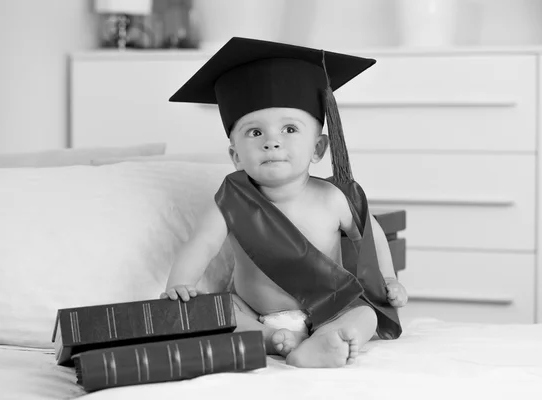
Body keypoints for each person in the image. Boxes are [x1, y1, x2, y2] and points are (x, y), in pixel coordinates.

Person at [161, 37, 408, 368]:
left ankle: (332, 337)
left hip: (329, 307)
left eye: (290, 129)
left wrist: (389, 279)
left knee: (366, 314)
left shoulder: (333, 198)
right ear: (235, 155)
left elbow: (371, 234)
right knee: (220, 310)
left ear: (318, 149)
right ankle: (271, 339)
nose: (272, 142)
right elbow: (201, 245)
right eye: (254, 133)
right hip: (257, 312)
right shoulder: (229, 201)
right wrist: (180, 284)